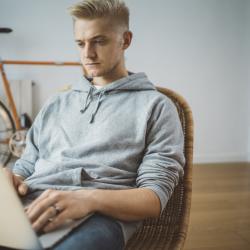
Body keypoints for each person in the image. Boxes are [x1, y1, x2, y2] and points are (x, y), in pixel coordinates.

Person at [4, 0, 185, 249]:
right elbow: (26, 163)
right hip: (31, 203)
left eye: (99, 41)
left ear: (126, 40)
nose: (87, 54)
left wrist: (87, 199)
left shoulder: (156, 107)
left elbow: (153, 199)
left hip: (98, 216)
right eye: (80, 43)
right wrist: (12, 179)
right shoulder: (56, 102)